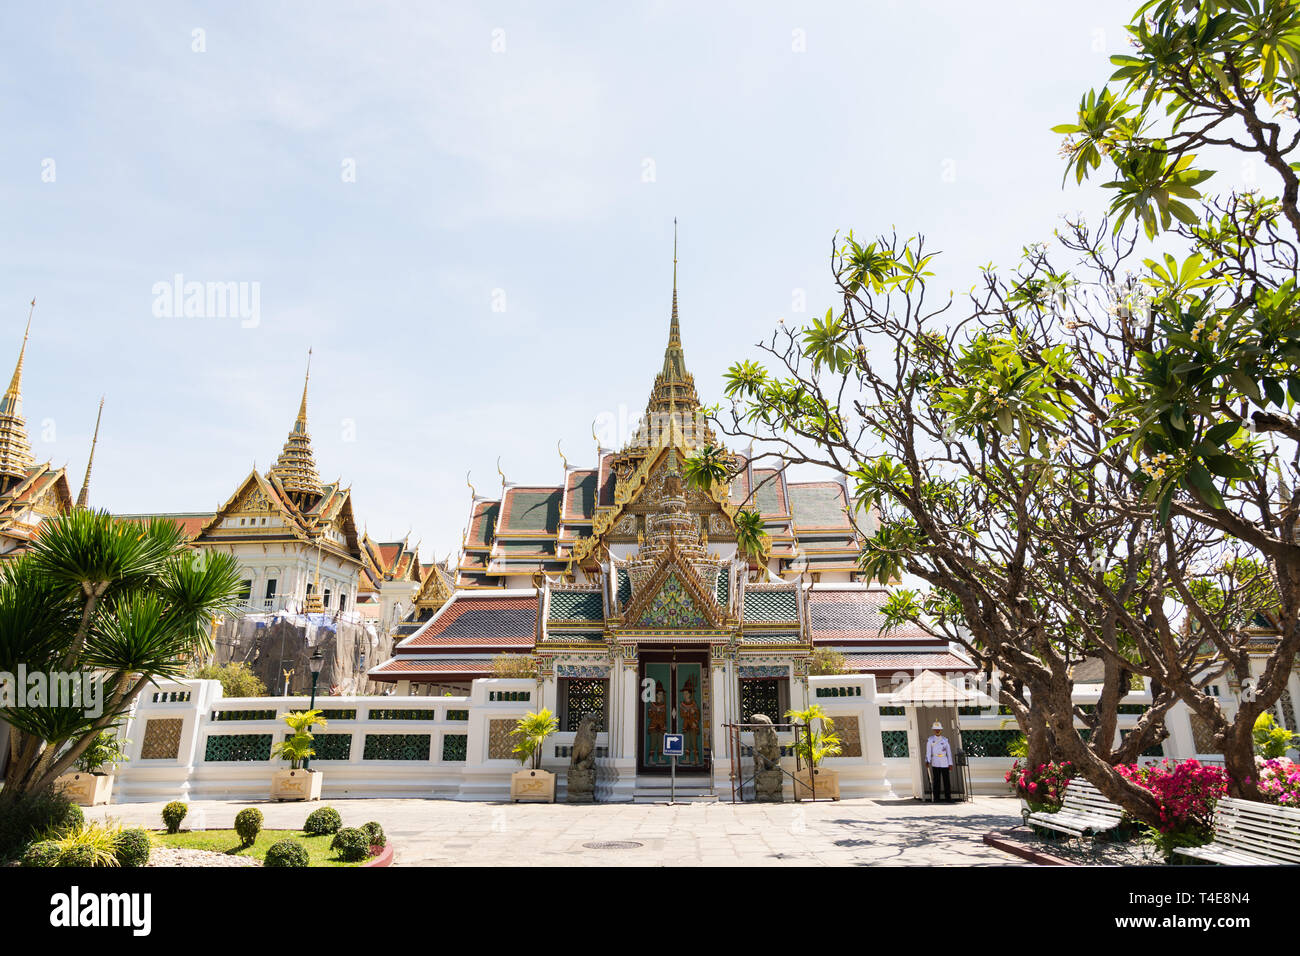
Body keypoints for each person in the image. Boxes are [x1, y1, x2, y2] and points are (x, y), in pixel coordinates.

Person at [925, 721, 953, 802]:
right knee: (936, 781)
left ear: (941, 730)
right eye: (935, 729)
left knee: (946, 780)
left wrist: (950, 763)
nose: (937, 730)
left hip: (944, 761)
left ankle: (948, 798)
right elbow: (928, 752)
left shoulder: (945, 740)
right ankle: (937, 798)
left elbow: (949, 753)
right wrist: (927, 761)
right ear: (933, 730)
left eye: (939, 729)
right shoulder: (930, 740)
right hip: (935, 761)